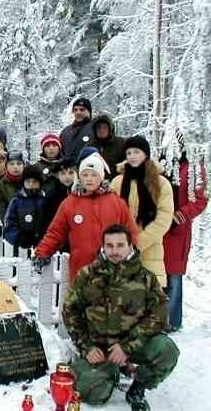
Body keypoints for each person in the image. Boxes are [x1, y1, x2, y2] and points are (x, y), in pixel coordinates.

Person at [63, 224, 179, 410]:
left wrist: (127, 347)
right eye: (110, 246)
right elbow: (70, 312)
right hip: (99, 349)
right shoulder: (87, 275)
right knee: (89, 392)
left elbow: (159, 314)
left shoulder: (145, 278)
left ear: (130, 247)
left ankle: (138, 387)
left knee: (167, 351)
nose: (115, 251)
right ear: (103, 247)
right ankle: (113, 371)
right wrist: (87, 347)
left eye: (120, 245)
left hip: (132, 345)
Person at [34, 153, 139, 282]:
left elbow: (130, 230)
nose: (89, 179)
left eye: (94, 175)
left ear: (101, 177)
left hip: (113, 270)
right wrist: (42, 252)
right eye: (85, 175)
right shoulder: (70, 204)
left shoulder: (116, 203)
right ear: (79, 177)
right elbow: (55, 232)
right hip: (82, 271)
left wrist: (132, 252)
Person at [110, 136, 174, 288]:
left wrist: (138, 243)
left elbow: (164, 218)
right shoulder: (117, 182)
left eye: (136, 152)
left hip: (151, 251)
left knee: (149, 304)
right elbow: (109, 213)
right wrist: (120, 244)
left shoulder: (160, 183)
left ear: (146, 154)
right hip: (119, 251)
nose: (132, 156)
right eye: (129, 153)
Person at [162, 137, 208, 332]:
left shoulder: (194, 168)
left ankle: (172, 321)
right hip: (158, 228)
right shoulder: (161, 163)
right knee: (157, 275)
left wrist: (181, 215)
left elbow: (201, 200)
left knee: (174, 277)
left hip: (177, 231)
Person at [3, 165, 47, 249]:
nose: (31, 184)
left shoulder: (45, 199)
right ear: (23, 183)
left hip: (43, 245)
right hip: (20, 248)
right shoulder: (16, 201)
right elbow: (8, 223)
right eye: (28, 181)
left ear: (40, 183)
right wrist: (19, 238)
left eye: (34, 181)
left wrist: (43, 236)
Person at [42, 158, 77, 231]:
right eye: (63, 173)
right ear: (57, 175)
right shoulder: (52, 195)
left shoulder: (80, 192)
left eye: (71, 173)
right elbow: (47, 221)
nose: (67, 177)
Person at [0, 151, 25, 222]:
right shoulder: (1, 185)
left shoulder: (29, 182)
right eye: (11, 164)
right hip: (9, 226)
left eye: (19, 164)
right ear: (6, 166)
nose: (15, 167)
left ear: (24, 165)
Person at [89, 114, 125, 180]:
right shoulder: (89, 147)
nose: (102, 130)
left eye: (105, 127)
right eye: (99, 127)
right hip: (95, 184)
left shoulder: (121, 144)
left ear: (110, 129)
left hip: (116, 184)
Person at [60, 98, 94, 162]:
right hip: (68, 170)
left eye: (82, 110)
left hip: (88, 169)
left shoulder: (96, 129)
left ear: (89, 111)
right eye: (75, 110)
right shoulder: (66, 132)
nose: (78, 112)